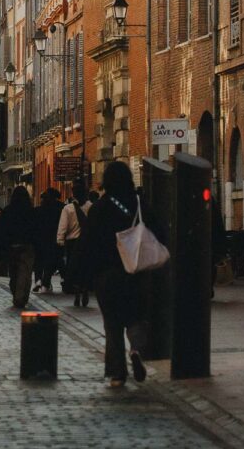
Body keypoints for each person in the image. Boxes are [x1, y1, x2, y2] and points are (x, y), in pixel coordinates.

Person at [80, 160, 158, 388]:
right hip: (135, 271)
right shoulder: (140, 204)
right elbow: (158, 231)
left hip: (107, 275)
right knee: (136, 317)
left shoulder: (99, 209)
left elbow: (88, 244)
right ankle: (136, 349)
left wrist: (84, 275)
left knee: (112, 324)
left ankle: (117, 373)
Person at [0, 185, 36, 309]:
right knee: (25, 272)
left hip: (12, 246)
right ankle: (21, 297)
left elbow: (2, 229)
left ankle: (17, 294)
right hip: (27, 245)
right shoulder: (30, 211)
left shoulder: (8, 210)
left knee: (14, 272)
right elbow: (35, 229)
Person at [57, 183, 92, 307]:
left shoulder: (68, 209)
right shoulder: (90, 207)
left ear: (73, 194)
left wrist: (60, 240)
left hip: (72, 243)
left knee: (74, 267)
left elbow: (63, 226)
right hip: (87, 242)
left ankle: (77, 291)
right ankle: (85, 288)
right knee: (85, 267)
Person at [33, 187, 64, 293]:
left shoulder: (38, 210)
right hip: (54, 239)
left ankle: (38, 280)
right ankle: (46, 282)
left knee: (39, 261)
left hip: (40, 239)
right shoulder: (61, 208)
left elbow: (34, 226)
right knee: (51, 261)